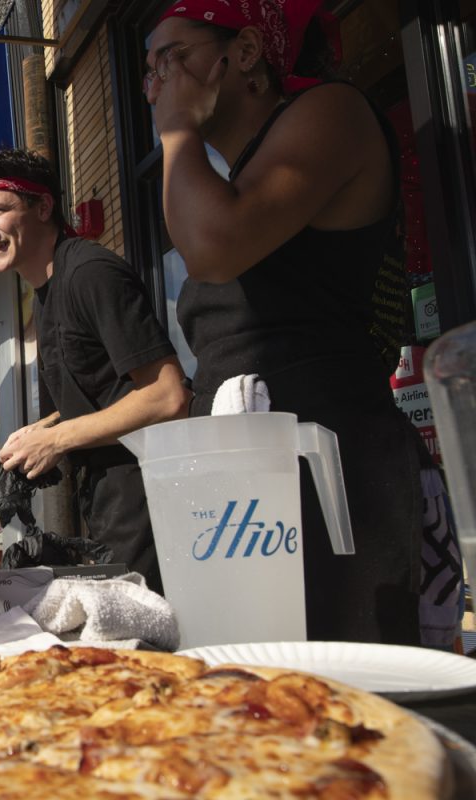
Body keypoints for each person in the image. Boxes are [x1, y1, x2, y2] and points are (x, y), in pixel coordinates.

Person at [145, 0, 460, 646]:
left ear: (249, 52)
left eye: (171, 59)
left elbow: (214, 243)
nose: (157, 87)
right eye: (149, 74)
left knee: (343, 710)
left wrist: (177, 130)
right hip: (246, 485)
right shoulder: (236, 175)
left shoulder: (331, 113)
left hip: (334, 479)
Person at [0, 148, 191, 590]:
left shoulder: (91, 273)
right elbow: (102, 394)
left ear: (43, 206)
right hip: (108, 497)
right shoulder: (46, 292)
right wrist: (36, 432)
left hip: (154, 495)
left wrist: (57, 439)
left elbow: (169, 395)